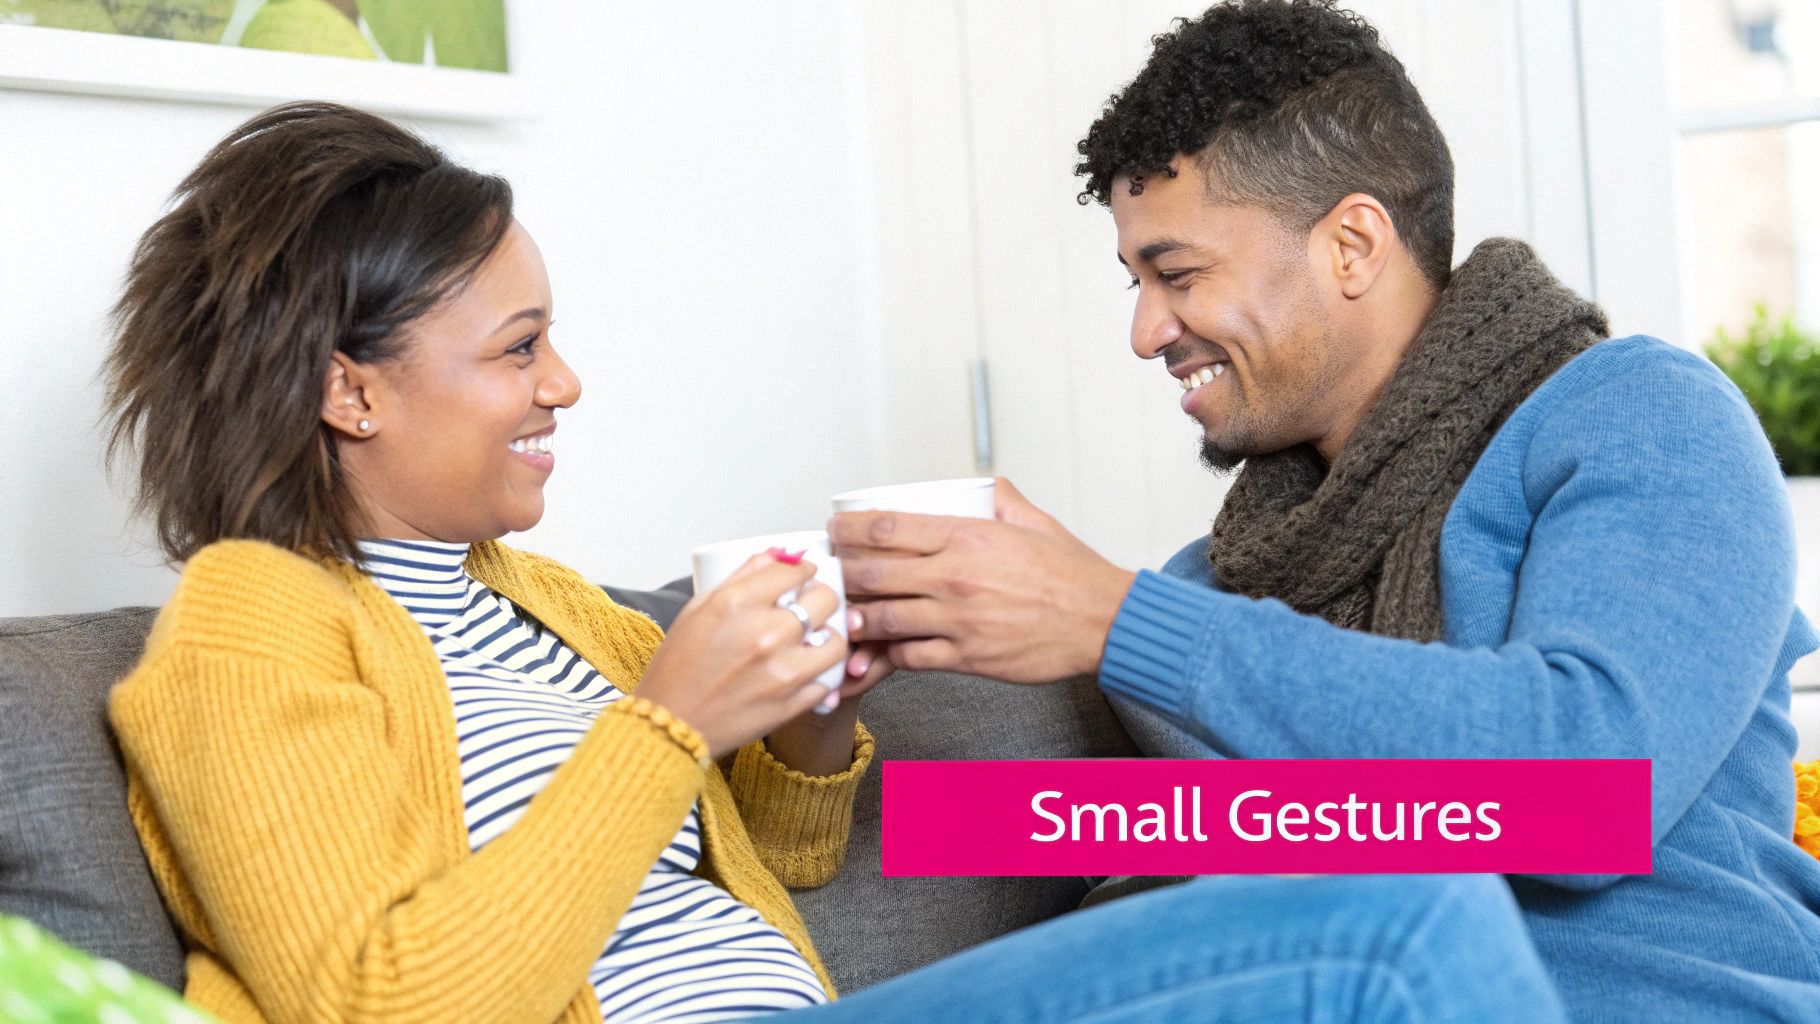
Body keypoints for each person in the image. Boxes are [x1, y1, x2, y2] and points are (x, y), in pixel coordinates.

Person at [100, 101, 1565, 1024]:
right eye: (519, 347)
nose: (567, 386)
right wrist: (669, 719)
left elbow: (761, 869)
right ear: (349, 391)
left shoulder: (540, 606)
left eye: (1171, 276)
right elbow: (381, 1004)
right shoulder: (254, 623)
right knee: (1409, 918)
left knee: (1401, 902)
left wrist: (808, 725)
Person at [830, 2, 1820, 1022]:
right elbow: (1101, 832)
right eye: (1133, 281)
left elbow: (1587, 794)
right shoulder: (1214, 586)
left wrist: (1114, 621)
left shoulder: (1639, 416)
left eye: (1175, 273)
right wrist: (820, 716)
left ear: (1351, 245)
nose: (1141, 331)